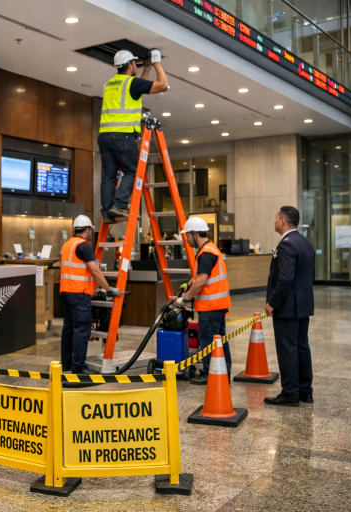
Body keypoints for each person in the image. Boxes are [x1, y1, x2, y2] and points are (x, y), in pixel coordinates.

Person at [99, 48, 169, 224]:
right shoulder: (131, 84)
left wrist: (146, 69)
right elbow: (163, 85)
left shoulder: (109, 84)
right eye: (135, 63)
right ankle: (120, 204)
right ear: (130, 65)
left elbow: (135, 90)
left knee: (109, 176)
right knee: (133, 169)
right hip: (123, 136)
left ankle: (107, 212)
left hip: (105, 135)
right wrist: (156, 62)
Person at [264, 206, 315, 407]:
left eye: (277, 218)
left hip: (287, 307)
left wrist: (272, 303)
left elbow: (284, 279)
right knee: (301, 346)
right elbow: (311, 276)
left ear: (283, 221)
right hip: (303, 305)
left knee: (287, 349)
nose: (275, 221)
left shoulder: (286, 245)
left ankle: (290, 392)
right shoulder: (306, 243)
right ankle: (305, 391)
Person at [60, 215, 122, 374]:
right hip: (79, 295)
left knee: (69, 329)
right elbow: (95, 270)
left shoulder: (67, 245)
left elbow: (76, 269)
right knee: (81, 330)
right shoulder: (85, 246)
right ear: (87, 230)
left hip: (66, 292)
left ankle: (66, 363)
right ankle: (79, 367)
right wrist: (108, 289)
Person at [175, 217, 231, 385]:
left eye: (188, 236)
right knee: (220, 340)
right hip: (219, 305)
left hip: (210, 306)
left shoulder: (205, 253)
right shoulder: (211, 249)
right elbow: (200, 278)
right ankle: (223, 372)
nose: (186, 239)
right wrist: (190, 282)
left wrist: (185, 298)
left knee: (207, 340)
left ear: (195, 234)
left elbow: (202, 281)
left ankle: (208, 373)